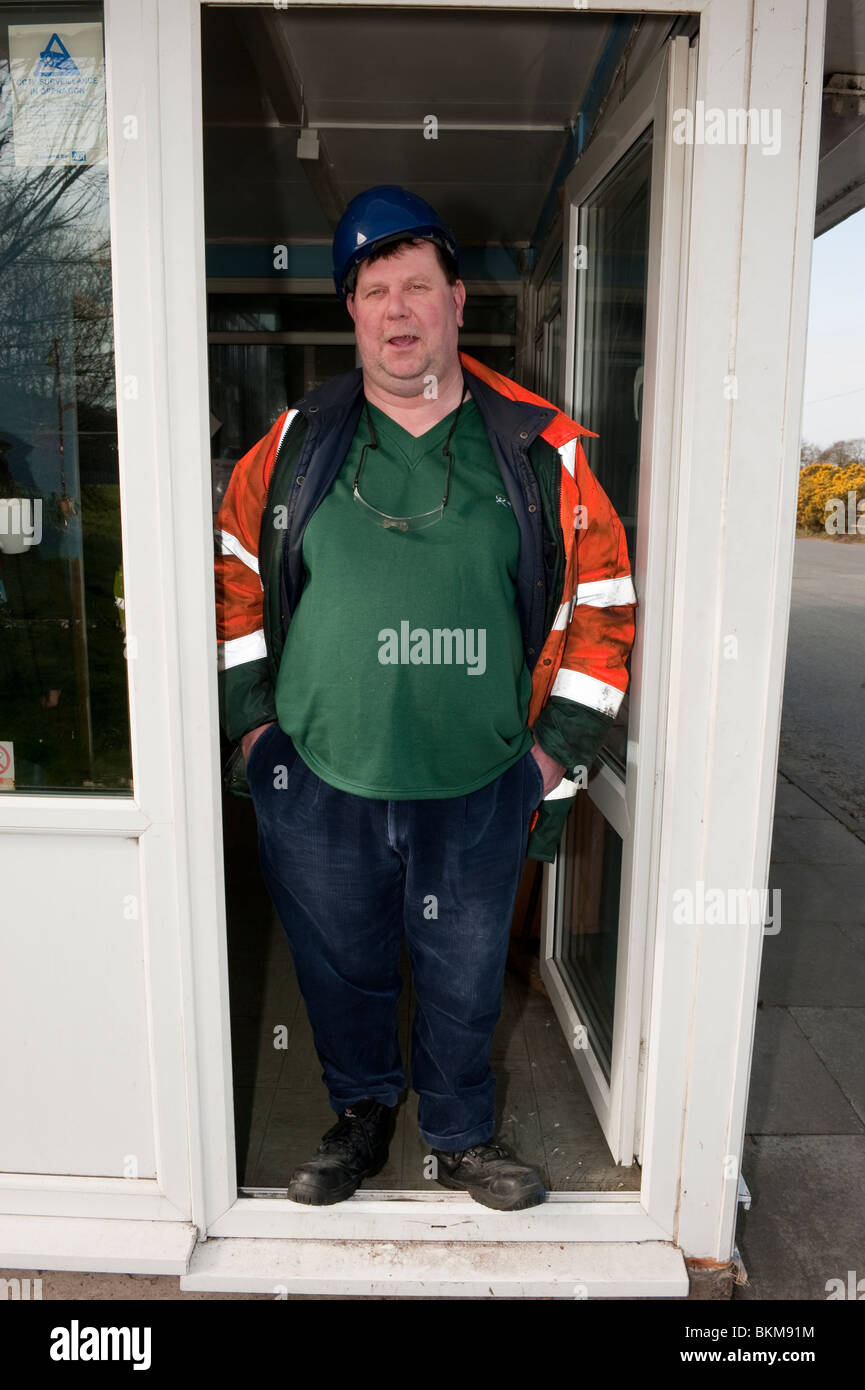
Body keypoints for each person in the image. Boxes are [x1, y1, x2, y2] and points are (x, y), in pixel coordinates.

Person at [215, 185, 636, 1211]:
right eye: (372, 291)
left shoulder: (544, 449)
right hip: (318, 779)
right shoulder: (291, 445)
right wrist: (257, 738)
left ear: (455, 299)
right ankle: (359, 1117)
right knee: (338, 966)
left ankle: (459, 1132)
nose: (397, 311)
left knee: (459, 977)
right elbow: (231, 583)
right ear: (352, 312)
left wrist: (550, 753)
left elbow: (602, 602)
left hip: (479, 783)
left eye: (416, 286)